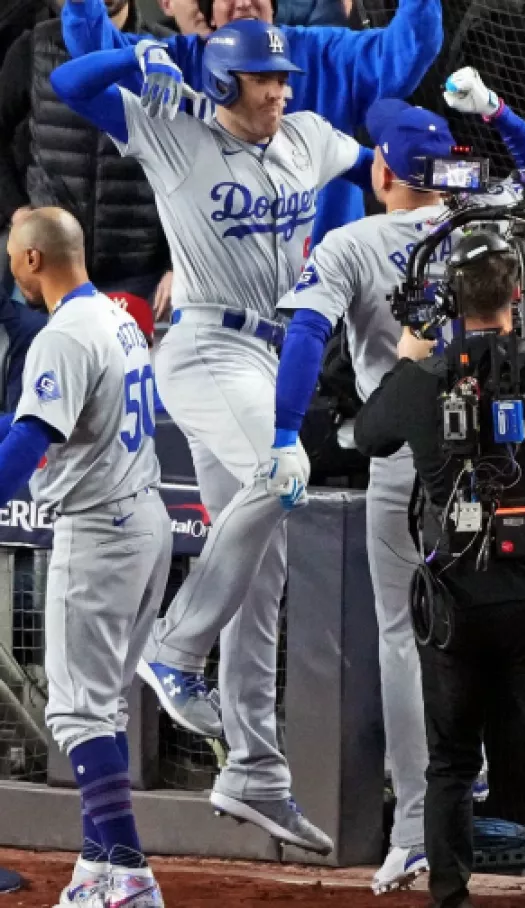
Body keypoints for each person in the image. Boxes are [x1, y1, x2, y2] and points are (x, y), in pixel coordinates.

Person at [50, 18, 374, 853]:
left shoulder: (305, 136)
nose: (280, 89)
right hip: (203, 346)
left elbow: (373, 143)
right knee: (281, 479)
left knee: (261, 573)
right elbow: (70, 86)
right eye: (263, 78)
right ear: (226, 83)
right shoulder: (174, 126)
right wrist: (139, 54)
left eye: (282, 76)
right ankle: (174, 647)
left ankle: (255, 772)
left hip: (268, 354)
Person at [267, 78, 525, 890]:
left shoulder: (352, 244)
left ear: (381, 173)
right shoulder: (487, 216)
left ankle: (424, 827)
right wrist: (495, 113)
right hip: (520, 451)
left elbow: (308, 334)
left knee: (408, 637)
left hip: (411, 457)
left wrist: (287, 433)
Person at [353, 229, 525, 908]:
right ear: (515, 295)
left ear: (447, 303)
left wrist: (409, 356)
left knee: (450, 764)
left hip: (452, 605)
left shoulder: (420, 380)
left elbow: (367, 437)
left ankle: (448, 898)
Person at [2, 207, 172, 907]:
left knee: (76, 713)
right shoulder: (116, 315)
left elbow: (29, 443)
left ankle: (127, 871)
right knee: (98, 709)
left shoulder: (64, 335)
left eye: (13, 253)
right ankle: (101, 865)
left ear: (33, 261)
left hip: (99, 531)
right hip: (144, 519)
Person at [60, 0, 443, 257]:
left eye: (280, 81)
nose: (242, 2)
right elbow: (91, 49)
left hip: (331, 280)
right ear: (209, 15)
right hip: (228, 291)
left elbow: (407, 50)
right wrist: (133, 53)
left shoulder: (324, 56)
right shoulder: (177, 63)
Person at [0, 0, 172, 304]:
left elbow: (191, 163)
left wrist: (177, 264)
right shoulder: (33, 48)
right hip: (49, 266)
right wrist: (16, 210)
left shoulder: (165, 53)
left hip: (141, 271)